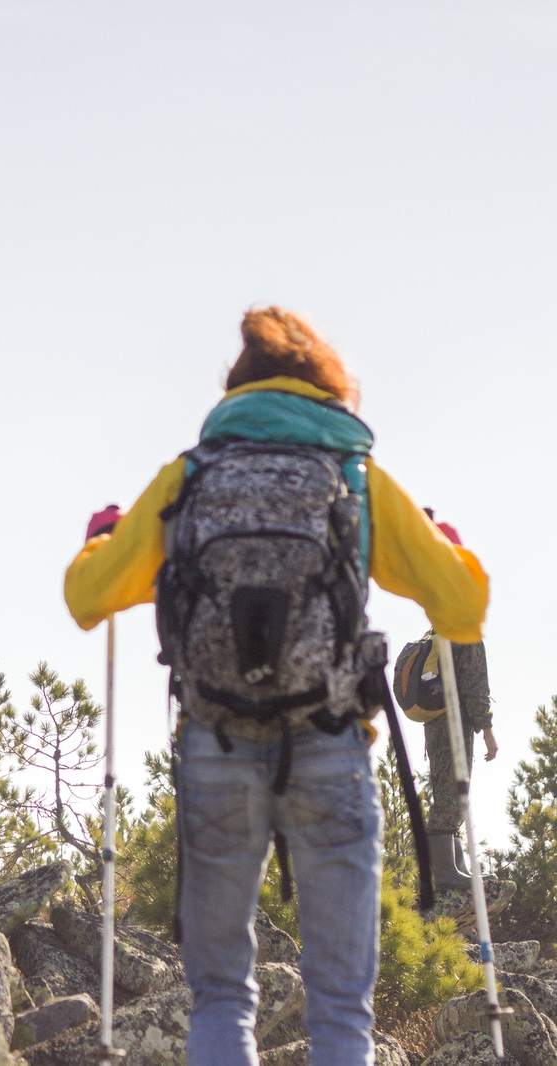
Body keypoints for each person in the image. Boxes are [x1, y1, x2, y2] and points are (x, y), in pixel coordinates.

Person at [63, 307, 489, 1066]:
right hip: (330, 746)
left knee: (222, 997)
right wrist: (448, 553)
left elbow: (88, 598)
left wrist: (104, 536)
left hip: (215, 745)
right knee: (339, 1014)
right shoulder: (355, 477)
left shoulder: (191, 478)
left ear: (236, 392)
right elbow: (460, 611)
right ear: (325, 386)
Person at [404, 511, 497, 893]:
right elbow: (475, 683)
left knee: (447, 788)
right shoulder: (462, 624)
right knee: (452, 790)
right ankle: (445, 874)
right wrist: (488, 730)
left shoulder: (438, 622)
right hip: (453, 719)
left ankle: (452, 866)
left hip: (437, 719)